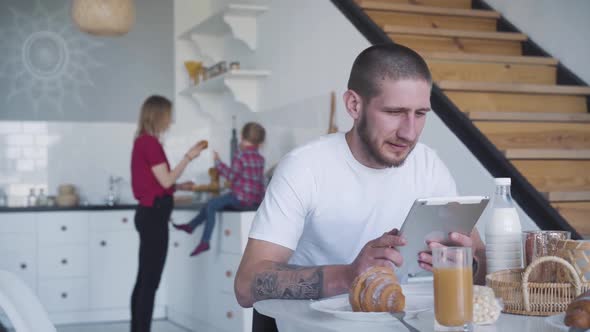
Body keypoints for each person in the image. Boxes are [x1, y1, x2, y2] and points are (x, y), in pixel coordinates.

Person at [234, 44, 487, 312]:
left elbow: (480, 260)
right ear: (354, 105)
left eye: (420, 114)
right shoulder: (303, 167)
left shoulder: (428, 165)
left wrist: (466, 265)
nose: (410, 133)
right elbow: (245, 285)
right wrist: (348, 275)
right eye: (394, 112)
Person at [130, 95, 207, 332]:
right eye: (168, 116)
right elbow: (165, 180)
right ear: (158, 115)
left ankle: (138, 329)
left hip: (149, 213)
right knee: (150, 281)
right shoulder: (150, 143)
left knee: (144, 278)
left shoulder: (142, 141)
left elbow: (158, 182)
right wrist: (189, 156)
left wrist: (179, 186)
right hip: (154, 216)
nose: (170, 121)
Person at [173, 122, 266, 257]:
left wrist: (218, 162)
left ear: (242, 136)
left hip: (239, 198)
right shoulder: (260, 158)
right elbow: (258, 181)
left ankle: (205, 241)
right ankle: (190, 226)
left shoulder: (240, 155)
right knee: (211, 204)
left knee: (211, 205)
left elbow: (231, 176)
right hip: (253, 201)